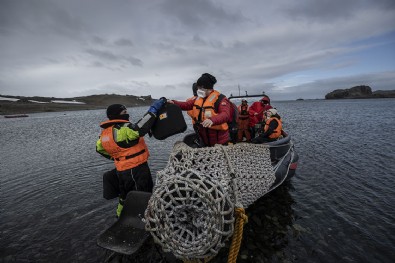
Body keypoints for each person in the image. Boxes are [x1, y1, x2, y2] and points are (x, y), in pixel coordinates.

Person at [96, 98, 166, 217]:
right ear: (116, 115)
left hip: (122, 170)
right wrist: (153, 110)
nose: (127, 114)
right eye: (124, 112)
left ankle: (121, 216)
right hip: (136, 170)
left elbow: (99, 149)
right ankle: (145, 218)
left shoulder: (105, 134)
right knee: (143, 194)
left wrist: (118, 158)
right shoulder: (123, 130)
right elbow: (140, 128)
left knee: (124, 195)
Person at [168, 73, 233, 147]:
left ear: (206, 88)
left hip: (220, 141)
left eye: (200, 88)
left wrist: (212, 120)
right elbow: (187, 105)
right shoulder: (198, 98)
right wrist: (174, 102)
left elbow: (225, 114)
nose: (198, 90)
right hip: (204, 140)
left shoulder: (221, 99)